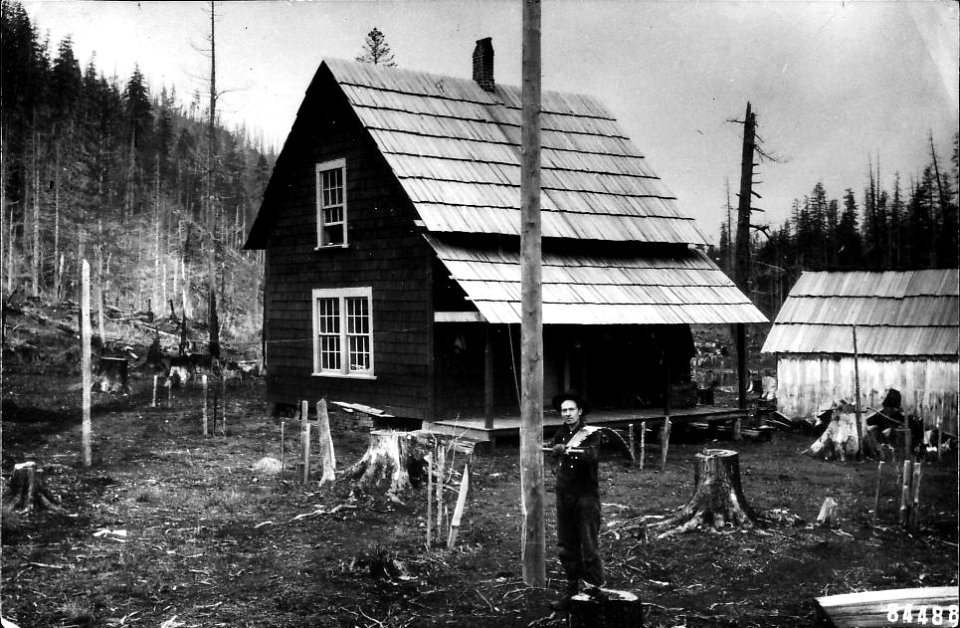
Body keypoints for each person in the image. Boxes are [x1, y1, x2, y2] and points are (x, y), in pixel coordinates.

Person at [548, 391, 605, 612]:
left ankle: (593, 593)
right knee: (566, 545)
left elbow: (591, 455)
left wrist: (570, 451)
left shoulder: (591, 433)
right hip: (564, 495)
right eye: (564, 410)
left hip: (586, 497)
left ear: (580, 411)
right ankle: (572, 593)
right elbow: (553, 458)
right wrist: (555, 452)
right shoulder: (560, 433)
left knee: (588, 545)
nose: (568, 413)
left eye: (571, 409)